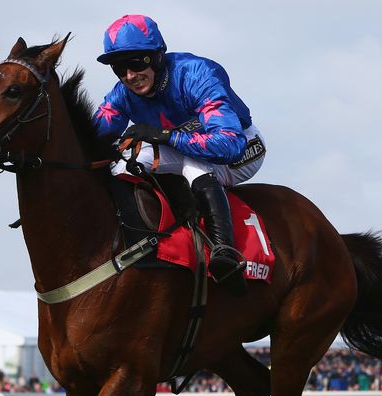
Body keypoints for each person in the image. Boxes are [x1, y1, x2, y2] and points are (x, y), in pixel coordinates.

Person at [93, 14, 267, 293]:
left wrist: (164, 135)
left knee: (194, 164)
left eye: (136, 64)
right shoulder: (122, 94)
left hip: (243, 148)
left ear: (157, 56)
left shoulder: (197, 74)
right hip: (183, 146)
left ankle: (226, 253)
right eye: (119, 68)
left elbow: (228, 144)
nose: (129, 76)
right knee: (123, 162)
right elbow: (91, 137)